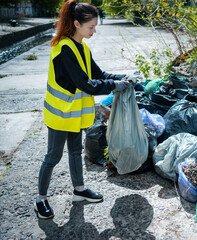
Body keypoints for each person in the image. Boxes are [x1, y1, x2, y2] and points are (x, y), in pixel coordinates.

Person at [34, 0, 132, 219]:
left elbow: (98, 74)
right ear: (77, 24)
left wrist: (124, 76)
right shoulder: (63, 49)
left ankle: (79, 190)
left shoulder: (81, 46)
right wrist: (115, 86)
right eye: (91, 27)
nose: (94, 31)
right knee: (53, 156)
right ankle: (40, 199)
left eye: (95, 26)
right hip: (60, 114)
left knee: (76, 152)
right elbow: (85, 84)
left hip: (73, 113)